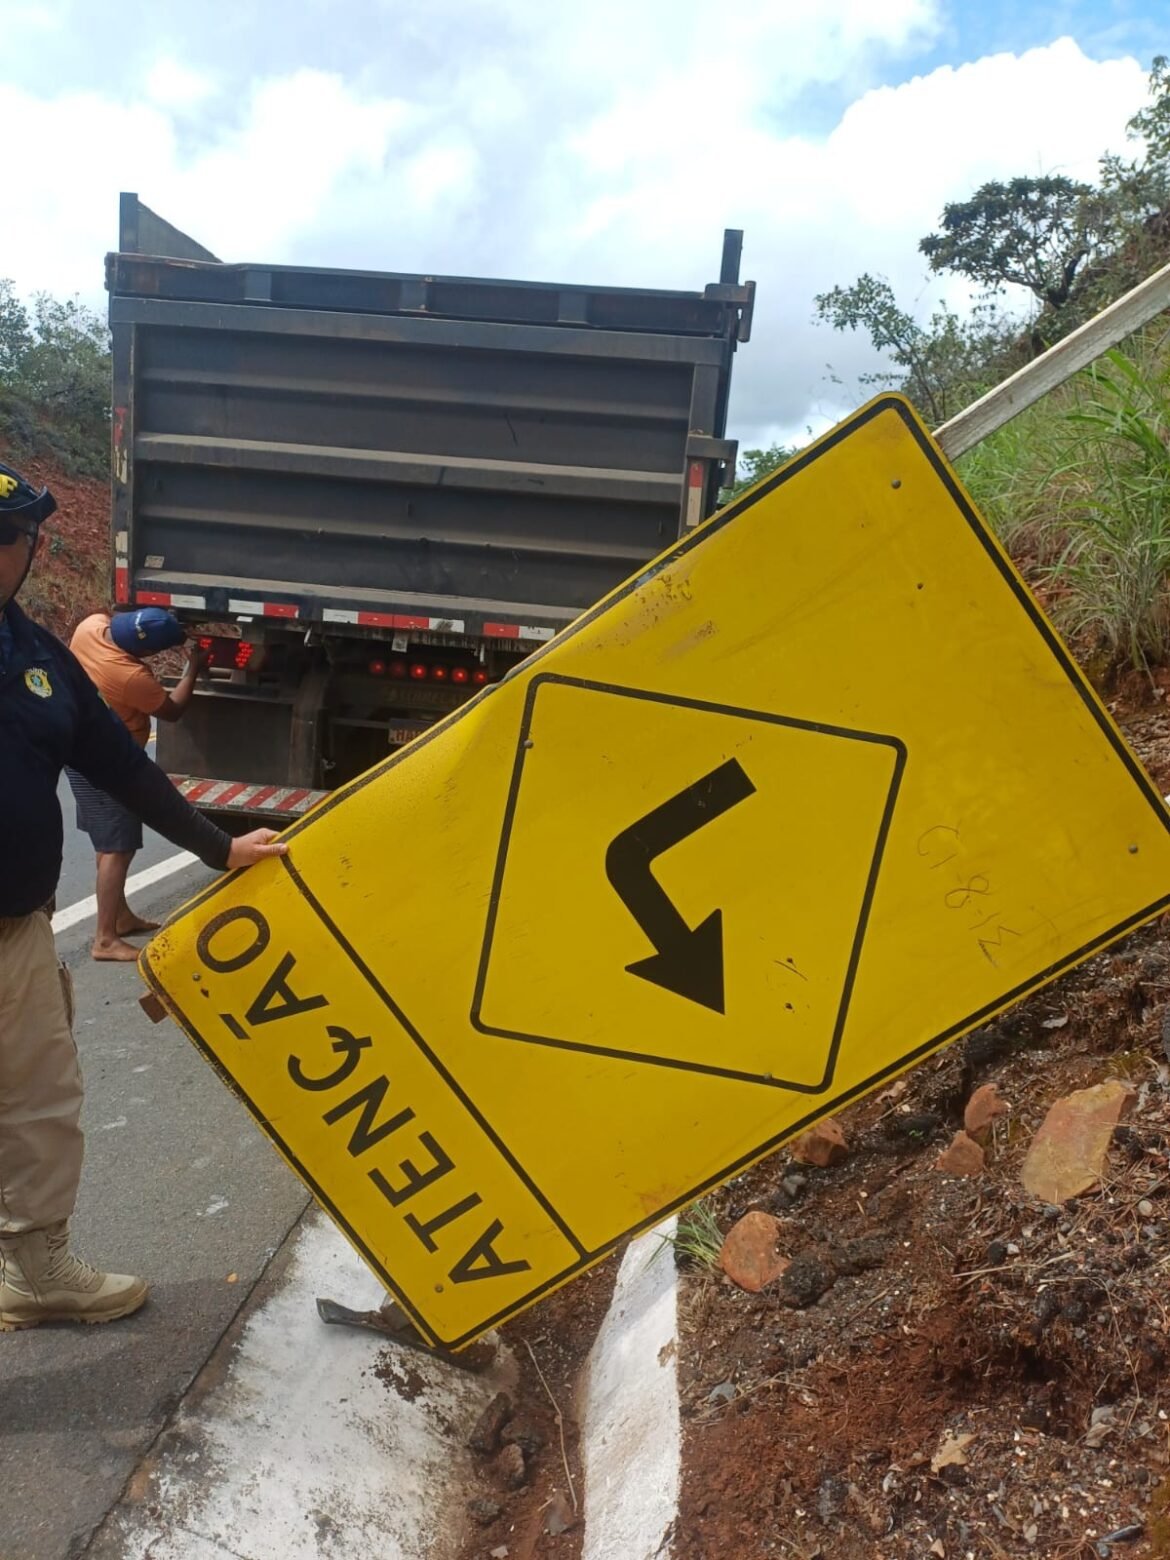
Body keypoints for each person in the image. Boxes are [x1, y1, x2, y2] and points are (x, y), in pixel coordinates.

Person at [0, 460, 287, 1330]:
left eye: (10, 537)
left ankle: (37, 1266)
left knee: (39, 1100)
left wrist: (220, 846)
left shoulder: (37, 654)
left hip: (14, 931)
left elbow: (125, 766)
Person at [67, 606, 207, 961]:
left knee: (108, 839)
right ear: (144, 653)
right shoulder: (131, 677)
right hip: (105, 761)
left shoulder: (90, 627)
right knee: (118, 846)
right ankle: (104, 939)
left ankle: (121, 917)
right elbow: (172, 710)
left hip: (77, 746)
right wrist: (193, 667)